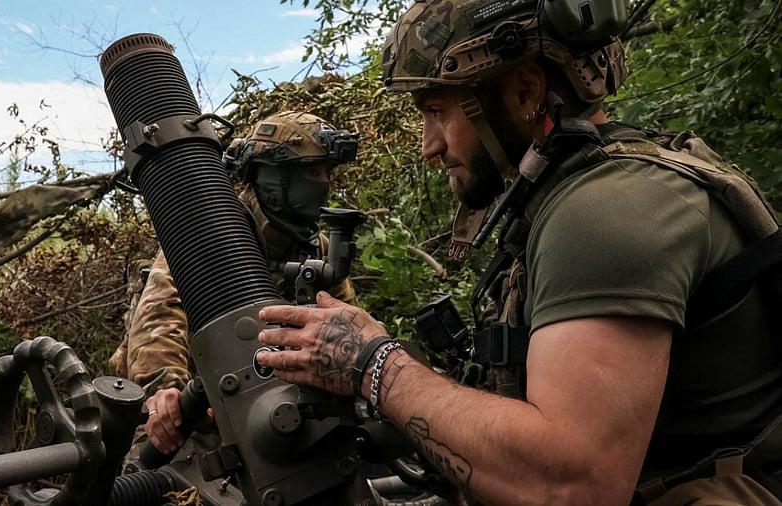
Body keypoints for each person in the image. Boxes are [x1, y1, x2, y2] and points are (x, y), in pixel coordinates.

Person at [254, 1, 782, 505]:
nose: (428, 145)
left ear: (526, 90)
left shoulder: (607, 209)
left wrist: (374, 362)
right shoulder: (584, 190)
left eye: (437, 111)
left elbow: (573, 484)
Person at [110, 110, 360, 455]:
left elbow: (346, 325)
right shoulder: (215, 225)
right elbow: (161, 315)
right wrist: (165, 391)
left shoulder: (316, 247)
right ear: (272, 177)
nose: (324, 183)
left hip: (273, 403)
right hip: (195, 403)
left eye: (328, 172)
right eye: (313, 171)